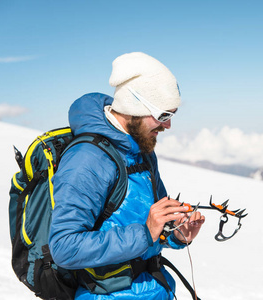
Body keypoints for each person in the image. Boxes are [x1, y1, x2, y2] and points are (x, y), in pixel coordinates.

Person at [49, 52, 205, 300]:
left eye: (171, 116)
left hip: (155, 289)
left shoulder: (141, 150)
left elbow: (152, 227)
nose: (168, 126)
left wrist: (175, 234)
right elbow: (64, 247)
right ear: (136, 106)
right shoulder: (87, 160)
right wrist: (144, 233)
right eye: (164, 115)